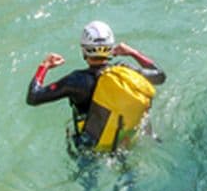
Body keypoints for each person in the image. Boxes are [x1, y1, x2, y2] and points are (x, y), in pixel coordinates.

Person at [26, 21, 165, 153]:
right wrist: (133, 53)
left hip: (90, 147)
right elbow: (160, 75)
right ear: (110, 48)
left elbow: (33, 97)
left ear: (84, 50)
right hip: (122, 141)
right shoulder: (124, 71)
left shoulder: (76, 81)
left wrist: (44, 66)